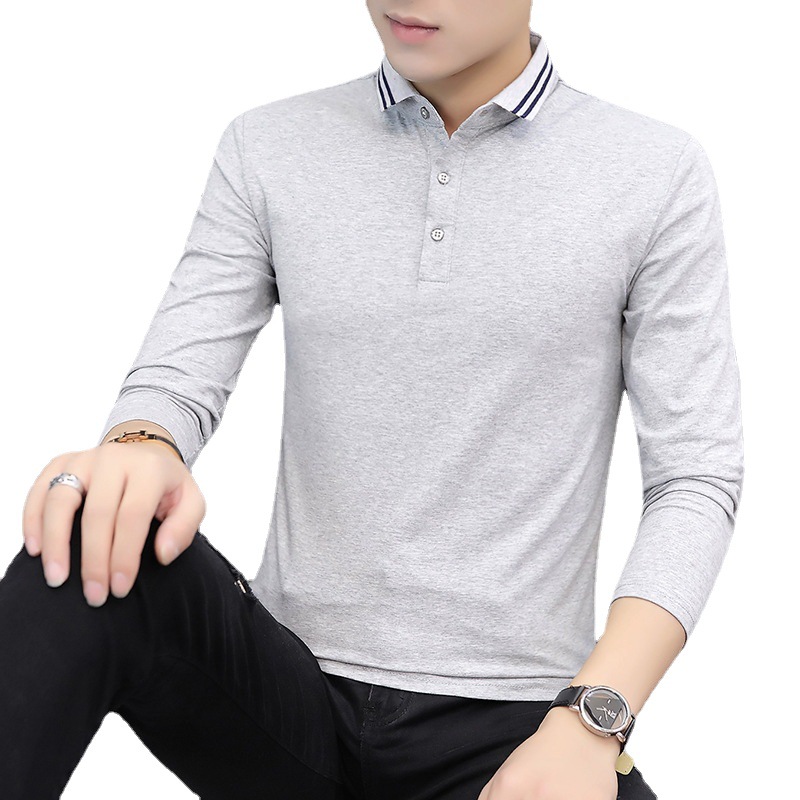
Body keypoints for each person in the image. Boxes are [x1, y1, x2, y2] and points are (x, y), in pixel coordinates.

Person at [0, 1, 744, 798]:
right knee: (88, 530)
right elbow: (175, 379)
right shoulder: (269, 144)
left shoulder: (654, 170)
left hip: (515, 731)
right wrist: (140, 446)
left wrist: (593, 721)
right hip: (287, 701)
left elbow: (694, 476)